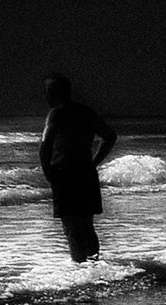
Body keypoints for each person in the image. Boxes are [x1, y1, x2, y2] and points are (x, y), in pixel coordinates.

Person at [40, 73, 118, 262]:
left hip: (65, 173)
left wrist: (48, 172)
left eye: (47, 92)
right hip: (85, 172)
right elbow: (110, 136)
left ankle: (80, 269)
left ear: (51, 93)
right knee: (86, 226)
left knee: (71, 227)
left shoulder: (56, 113)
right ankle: (93, 267)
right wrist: (94, 162)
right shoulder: (85, 111)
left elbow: (45, 145)